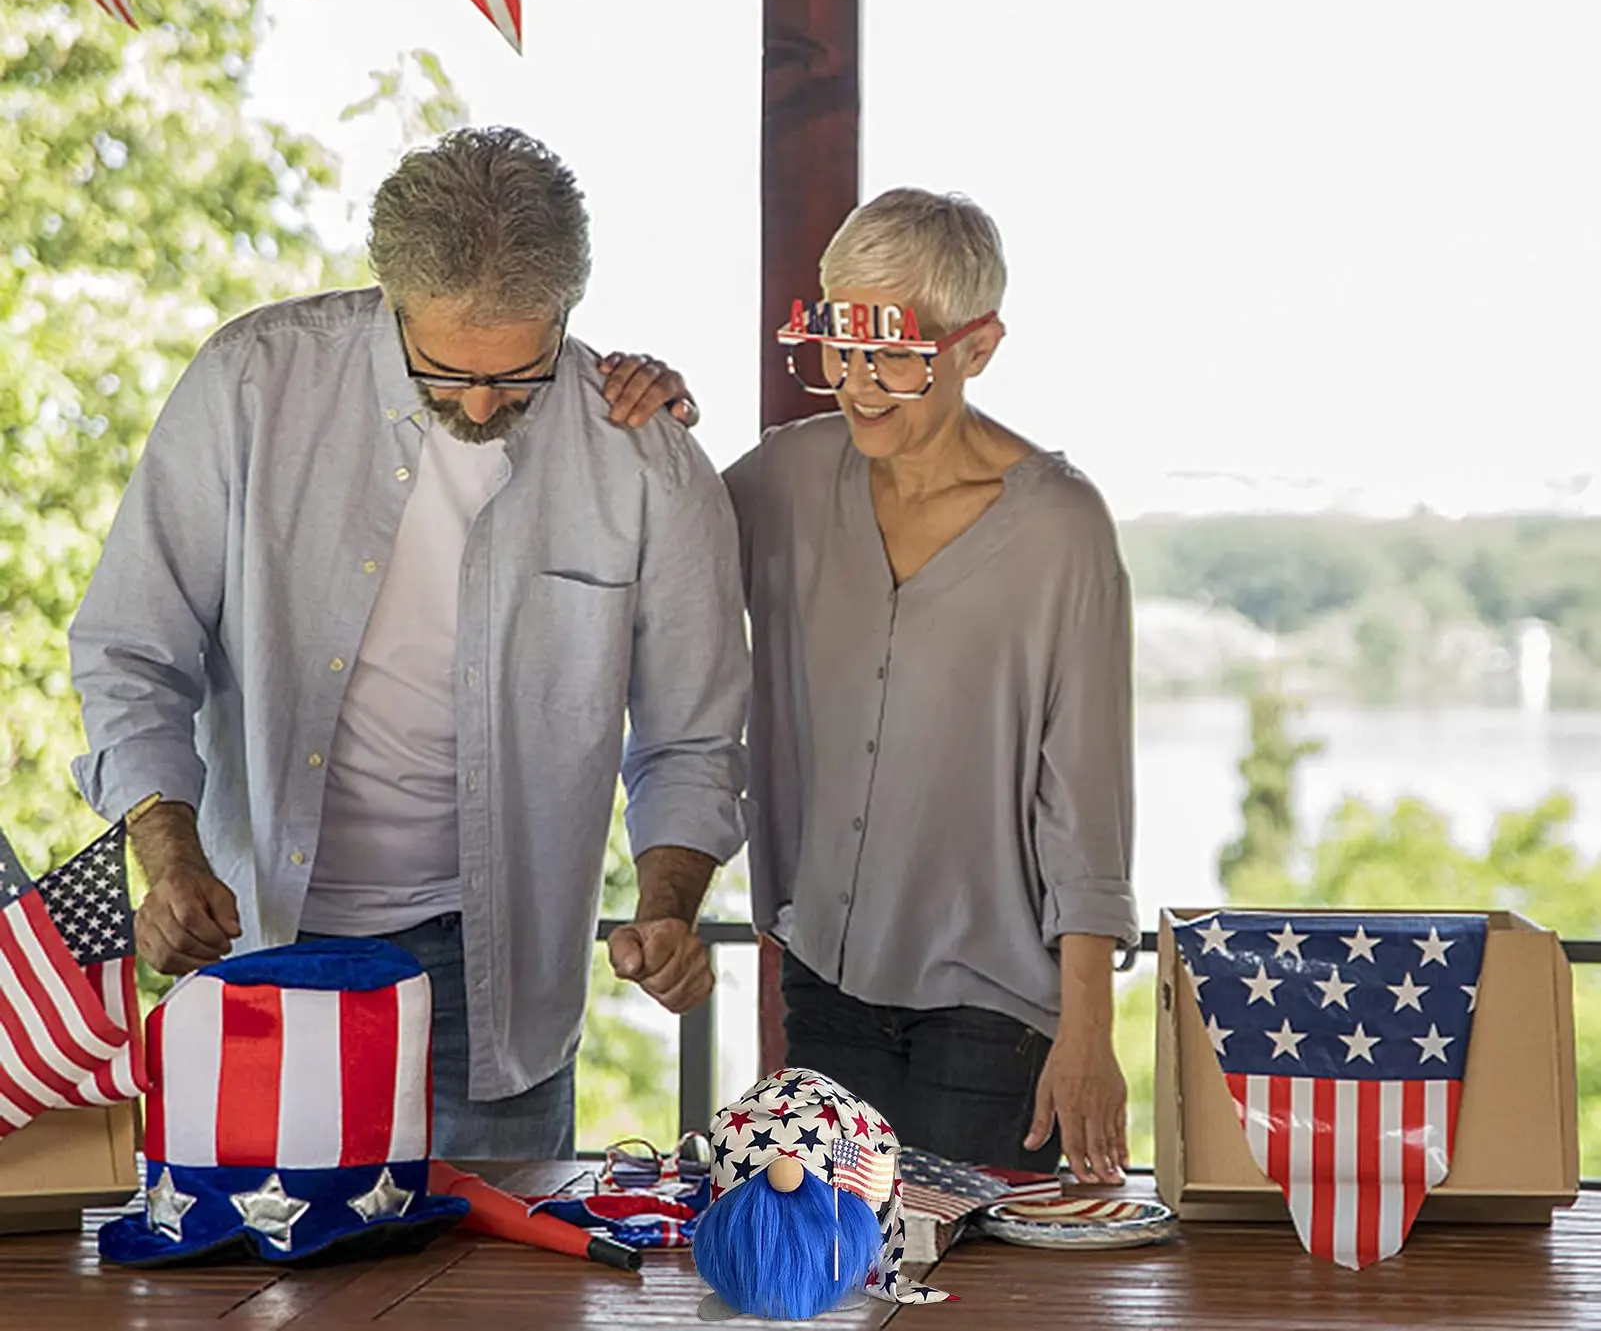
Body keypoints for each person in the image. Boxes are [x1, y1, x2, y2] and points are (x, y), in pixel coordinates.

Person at [69, 126, 749, 1161]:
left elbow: (691, 738)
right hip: (267, 944)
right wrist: (170, 858)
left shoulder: (643, 458)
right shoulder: (253, 386)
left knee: (494, 1304)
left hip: (497, 983)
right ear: (389, 298)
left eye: (518, 378)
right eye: (444, 371)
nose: (479, 405)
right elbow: (131, 648)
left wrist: (665, 905)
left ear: (566, 314)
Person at [604, 187, 1137, 1181]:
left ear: (977, 348)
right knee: (842, 1280)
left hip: (994, 1007)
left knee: (973, 1290)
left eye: (893, 356)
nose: (855, 385)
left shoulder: (1063, 529)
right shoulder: (779, 482)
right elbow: (659, 551)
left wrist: (1088, 1030)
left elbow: (1084, 804)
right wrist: (657, 424)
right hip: (824, 981)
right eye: (838, 350)